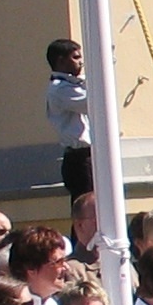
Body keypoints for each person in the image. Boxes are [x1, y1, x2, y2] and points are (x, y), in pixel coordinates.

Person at [46, 37, 92, 200]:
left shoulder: (74, 84)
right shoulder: (60, 88)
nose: (81, 62)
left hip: (90, 155)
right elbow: (91, 103)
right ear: (61, 61)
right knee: (87, 206)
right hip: (79, 158)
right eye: (76, 57)